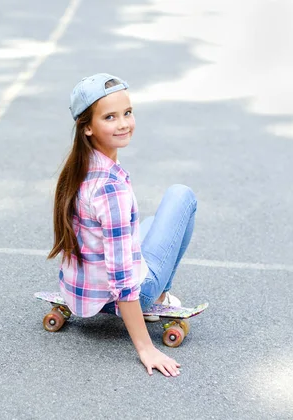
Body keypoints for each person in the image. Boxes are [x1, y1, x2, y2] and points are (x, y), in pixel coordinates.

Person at [47, 73, 197, 377]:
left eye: (127, 113)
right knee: (181, 197)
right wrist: (145, 347)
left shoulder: (80, 166)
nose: (124, 123)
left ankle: (153, 292)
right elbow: (121, 276)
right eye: (110, 117)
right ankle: (159, 295)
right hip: (122, 297)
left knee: (154, 222)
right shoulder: (109, 189)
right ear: (87, 127)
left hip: (84, 292)